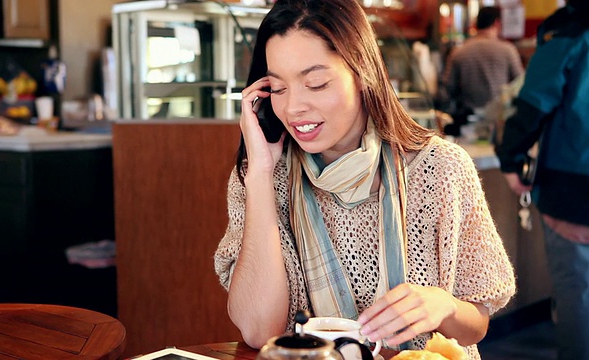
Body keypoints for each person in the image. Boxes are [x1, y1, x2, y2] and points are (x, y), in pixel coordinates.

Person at [214, 0, 515, 358]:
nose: (293, 108)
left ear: (362, 73)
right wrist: (261, 175)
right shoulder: (262, 177)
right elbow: (257, 329)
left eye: (316, 83)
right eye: (278, 89)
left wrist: (443, 305)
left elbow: (476, 324)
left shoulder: (441, 169)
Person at [495, 1, 589, 359]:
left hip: (575, 186)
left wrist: (511, 159)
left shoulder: (572, 29)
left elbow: (534, 101)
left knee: (578, 291)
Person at [440, 6, 524, 135]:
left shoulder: (459, 52)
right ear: (497, 23)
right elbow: (520, 85)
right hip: (499, 123)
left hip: (467, 124)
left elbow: (447, 90)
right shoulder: (508, 50)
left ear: (476, 23)